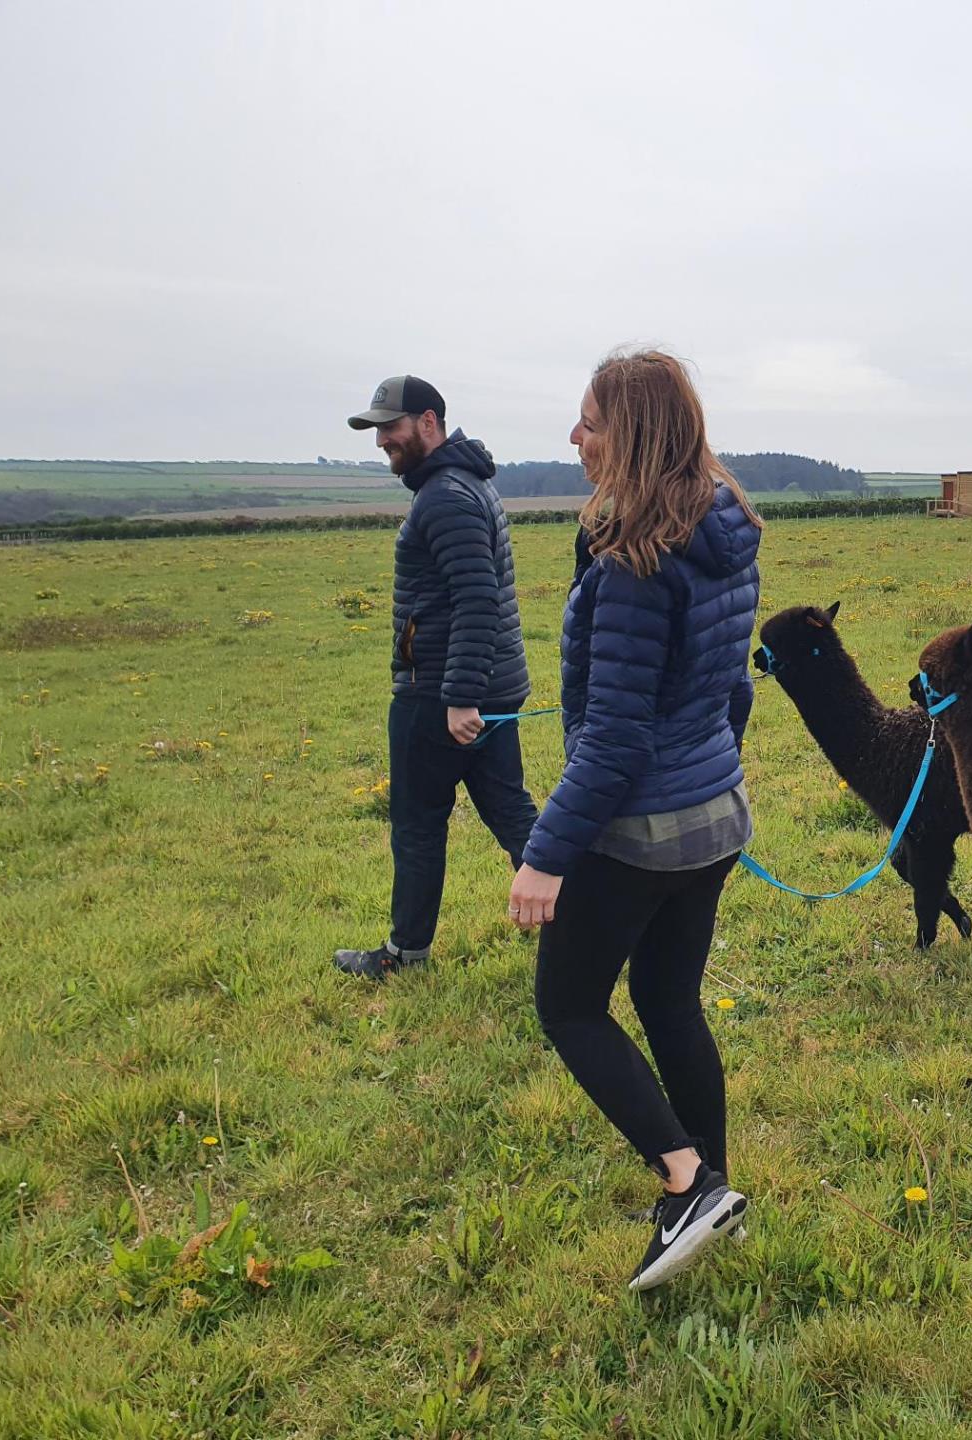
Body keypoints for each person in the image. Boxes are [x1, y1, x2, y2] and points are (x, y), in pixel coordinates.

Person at [507, 350, 762, 1291]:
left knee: (569, 1006)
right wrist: (708, 765)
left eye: (590, 423)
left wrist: (543, 856)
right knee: (667, 1001)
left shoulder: (635, 568)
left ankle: (686, 1181)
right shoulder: (723, 530)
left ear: (636, 436)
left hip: (644, 830)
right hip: (715, 818)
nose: (573, 438)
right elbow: (728, 688)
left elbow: (612, 744)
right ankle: (718, 1195)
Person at [334, 375, 537, 980]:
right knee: (511, 811)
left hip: (445, 692)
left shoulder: (445, 496)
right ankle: (580, 919)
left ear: (429, 422)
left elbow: (477, 598)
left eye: (390, 428)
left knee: (418, 824)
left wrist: (457, 700)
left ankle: (405, 955)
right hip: (489, 683)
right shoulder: (465, 482)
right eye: (375, 431)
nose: (381, 443)